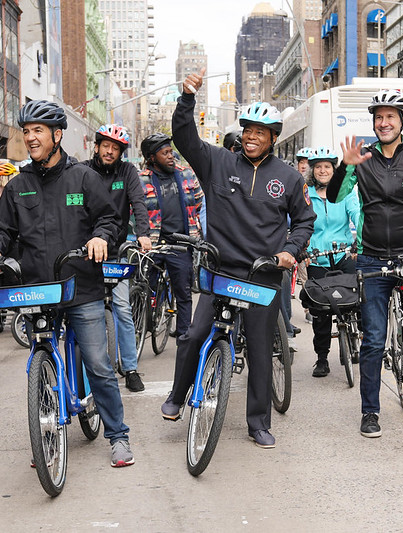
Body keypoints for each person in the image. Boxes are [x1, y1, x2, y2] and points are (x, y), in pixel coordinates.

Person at [164, 69, 315, 448]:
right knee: (195, 334)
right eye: (247, 129)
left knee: (262, 351)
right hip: (220, 269)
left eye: (260, 132)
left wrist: (288, 252)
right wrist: (187, 98)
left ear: (273, 138)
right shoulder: (217, 162)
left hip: (263, 275)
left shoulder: (289, 178)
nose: (251, 136)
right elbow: (184, 137)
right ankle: (177, 396)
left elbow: (305, 221)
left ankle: (258, 423)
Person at [0, 100, 135, 467]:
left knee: (98, 364)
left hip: (81, 286)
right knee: (41, 362)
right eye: (27, 131)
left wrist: (100, 238)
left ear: (57, 135)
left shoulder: (84, 177)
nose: (30, 138)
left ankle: (118, 435)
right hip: (39, 290)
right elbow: (2, 230)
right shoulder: (19, 186)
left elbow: (110, 220)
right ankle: (45, 433)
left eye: (37, 131)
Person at [328, 89, 403, 439]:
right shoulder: (362, 159)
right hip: (372, 260)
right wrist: (344, 166)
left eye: (390, 116)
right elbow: (334, 195)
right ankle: (370, 411)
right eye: (379, 117)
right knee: (374, 341)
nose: (384, 122)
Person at [82, 124, 151, 392]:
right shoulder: (83, 170)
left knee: (122, 308)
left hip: (118, 251)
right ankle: (87, 373)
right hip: (88, 251)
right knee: (87, 312)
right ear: (97, 146)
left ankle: (131, 368)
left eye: (116, 148)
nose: (110, 151)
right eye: (106, 146)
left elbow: (139, 202)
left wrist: (143, 233)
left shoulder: (127, 172)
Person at [138, 132, 204, 338]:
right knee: (145, 288)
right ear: (151, 158)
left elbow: (199, 204)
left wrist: (196, 232)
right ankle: (146, 324)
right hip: (153, 245)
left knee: (183, 294)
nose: (170, 157)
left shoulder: (186, 175)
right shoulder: (141, 179)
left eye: (171, 152)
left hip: (181, 244)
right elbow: (134, 211)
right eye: (164, 153)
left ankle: (184, 336)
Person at [303, 147, 360, 378]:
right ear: (313, 171)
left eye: (327, 166)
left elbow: (358, 215)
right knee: (321, 311)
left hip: (344, 254)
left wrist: (361, 243)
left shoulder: (345, 191)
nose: (323, 170)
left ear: (334, 170)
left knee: (358, 296)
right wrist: (301, 250)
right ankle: (322, 358)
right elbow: (299, 222)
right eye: (318, 167)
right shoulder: (305, 193)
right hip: (317, 257)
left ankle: (355, 337)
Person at [296, 146, 314, 323]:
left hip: (319, 241)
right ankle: (308, 308)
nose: (304, 166)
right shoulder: (294, 182)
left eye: (307, 163)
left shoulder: (316, 188)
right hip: (301, 240)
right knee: (304, 276)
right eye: (301, 162)